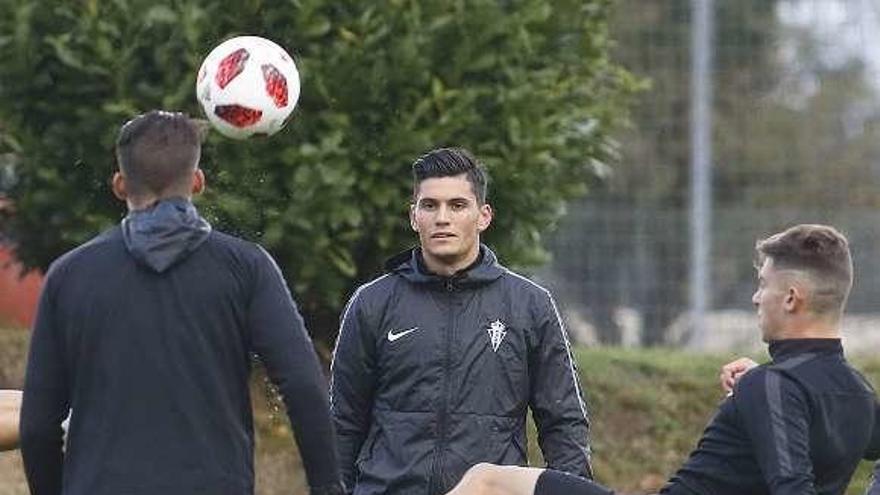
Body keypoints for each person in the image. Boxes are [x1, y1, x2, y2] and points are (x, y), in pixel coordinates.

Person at [20, 110, 344, 495]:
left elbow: (38, 425)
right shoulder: (246, 268)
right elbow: (303, 386)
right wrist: (328, 487)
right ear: (197, 181)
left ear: (120, 185)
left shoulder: (68, 276)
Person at [444, 224, 880, 495]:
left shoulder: (773, 388)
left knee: (487, 482)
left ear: (790, 298)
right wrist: (764, 388)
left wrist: (767, 388)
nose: (754, 297)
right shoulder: (856, 393)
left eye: (762, 284)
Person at [329, 148, 591, 495]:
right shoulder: (372, 303)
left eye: (457, 205)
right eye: (429, 205)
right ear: (413, 216)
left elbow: (563, 423)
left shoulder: (530, 305)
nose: (442, 218)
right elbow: (343, 424)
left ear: (483, 216)